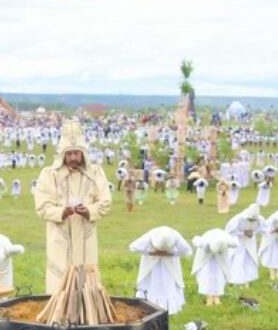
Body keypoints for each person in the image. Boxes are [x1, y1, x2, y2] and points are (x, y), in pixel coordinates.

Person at [32, 120, 112, 293]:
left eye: (77, 153)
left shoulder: (95, 173)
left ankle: (88, 318)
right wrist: (62, 211)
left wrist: (89, 210)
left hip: (86, 238)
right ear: (63, 155)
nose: (73, 157)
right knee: (59, 286)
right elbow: (42, 206)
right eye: (69, 154)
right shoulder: (49, 175)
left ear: (83, 154)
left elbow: (105, 202)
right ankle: (59, 318)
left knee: (87, 285)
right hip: (60, 239)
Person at [128, 226, 191, 314]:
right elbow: (133, 247)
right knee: (151, 283)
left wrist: (172, 254)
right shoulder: (152, 234)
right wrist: (150, 253)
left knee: (167, 283)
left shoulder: (175, 236)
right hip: (151, 264)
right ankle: (148, 306)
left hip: (170, 264)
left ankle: (168, 308)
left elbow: (187, 251)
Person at [191, 228, 236, 305]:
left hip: (220, 258)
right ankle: (209, 296)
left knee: (219, 274)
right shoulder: (204, 241)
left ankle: (216, 295)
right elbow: (195, 240)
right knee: (206, 274)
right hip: (206, 258)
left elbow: (235, 243)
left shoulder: (227, 239)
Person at [224, 203, 263, 287]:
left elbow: (263, 229)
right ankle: (235, 280)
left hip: (250, 241)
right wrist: (242, 233)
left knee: (248, 259)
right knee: (238, 259)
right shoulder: (238, 219)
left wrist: (252, 232)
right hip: (238, 241)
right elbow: (229, 231)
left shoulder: (259, 219)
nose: (251, 221)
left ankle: (247, 279)